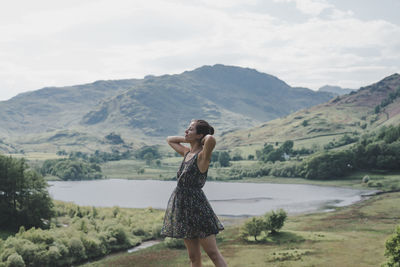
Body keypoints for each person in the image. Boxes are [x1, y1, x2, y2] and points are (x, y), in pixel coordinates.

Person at [161, 119, 227, 267]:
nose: (186, 131)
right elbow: (169, 140)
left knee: (213, 254)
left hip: (198, 209)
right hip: (184, 209)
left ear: (200, 135)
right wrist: (189, 138)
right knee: (193, 257)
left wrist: (201, 138)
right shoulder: (186, 153)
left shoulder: (203, 156)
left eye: (190, 129)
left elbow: (210, 139)